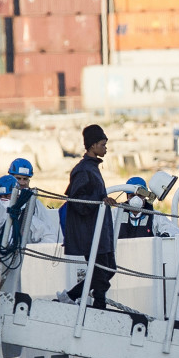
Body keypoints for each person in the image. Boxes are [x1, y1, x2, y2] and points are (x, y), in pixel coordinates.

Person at [59, 125, 117, 310]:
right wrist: (100, 200)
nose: (105, 148)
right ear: (92, 146)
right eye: (102, 144)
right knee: (100, 273)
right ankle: (99, 307)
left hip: (101, 233)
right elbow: (76, 199)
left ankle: (71, 295)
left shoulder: (92, 168)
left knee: (109, 269)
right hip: (91, 233)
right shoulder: (83, 170)